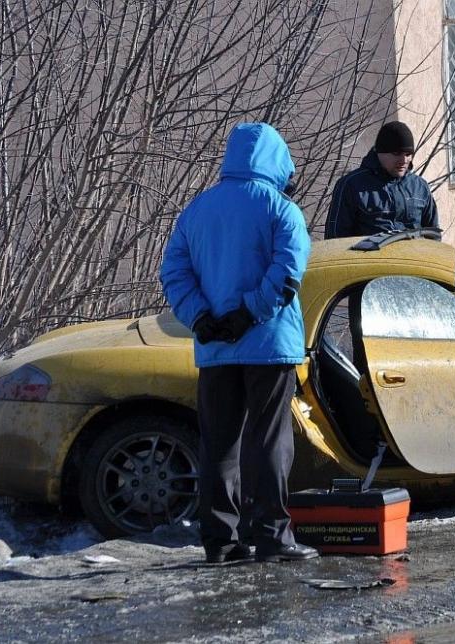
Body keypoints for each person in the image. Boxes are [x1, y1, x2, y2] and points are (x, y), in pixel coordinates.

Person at [160, 122, 317, 564]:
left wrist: (202, 318)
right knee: (268, 441)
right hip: (267, 343)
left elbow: (174, 272)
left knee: (218, 445)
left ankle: (221, 542)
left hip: (215, 349)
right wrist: (250, 312)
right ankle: (271, 537)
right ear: (277, 160)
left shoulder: (197, 210)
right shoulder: (282, 210)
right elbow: (288, 272)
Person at [324, 120, 439, 239]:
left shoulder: (420, 187)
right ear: (380, 152)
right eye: (397, 153)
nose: (404, 160)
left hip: (415, 257)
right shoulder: (351, 186)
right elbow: (335, 239)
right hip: (368, 257)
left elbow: (433, 237)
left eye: (408, 154)